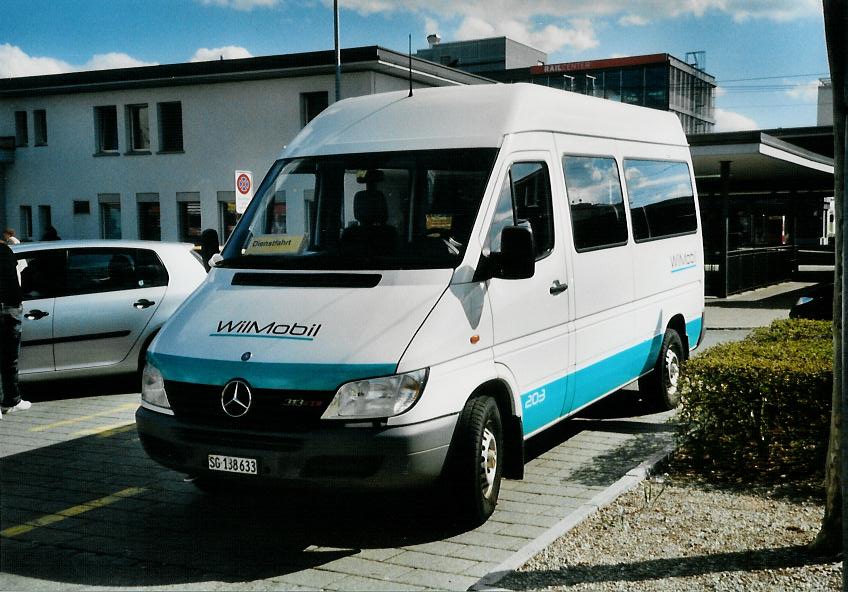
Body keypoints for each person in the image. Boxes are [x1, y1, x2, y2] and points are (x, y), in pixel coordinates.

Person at [0, 242, 30, 416]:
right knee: (10, 358)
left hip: (11, 305)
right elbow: (17, 279)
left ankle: (10, 400)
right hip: (11, 307)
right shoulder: (6, 250)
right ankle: (11, 400)